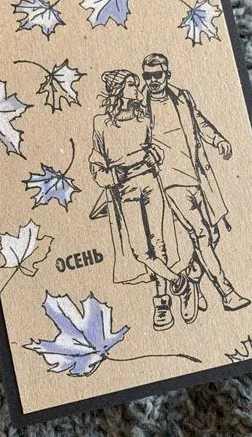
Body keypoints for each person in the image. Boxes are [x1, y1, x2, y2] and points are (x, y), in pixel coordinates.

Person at [89, 69, 198, 331]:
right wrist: (112, 175)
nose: (137, 89)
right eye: (131, 84)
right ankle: (182, 284)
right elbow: (96, 163)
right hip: (125, 189)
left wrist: (154, 155)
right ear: (119, 90)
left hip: (150, 182)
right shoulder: (101, 123)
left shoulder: (144, 119)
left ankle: (162, 303)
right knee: (140, 251)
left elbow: (155, 148)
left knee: (158, 244)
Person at [141, 53, 251, 312]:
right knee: (200, 234)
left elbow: (199, 122)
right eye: (147, 76)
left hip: (198, 176)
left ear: (167, 74)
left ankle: (192, 274)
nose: (153, 80)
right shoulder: (140, 107)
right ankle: (227, 293)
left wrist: (218, 139)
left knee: (212, 233)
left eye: (158, 75)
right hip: (169, 181)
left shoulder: (182, 97)